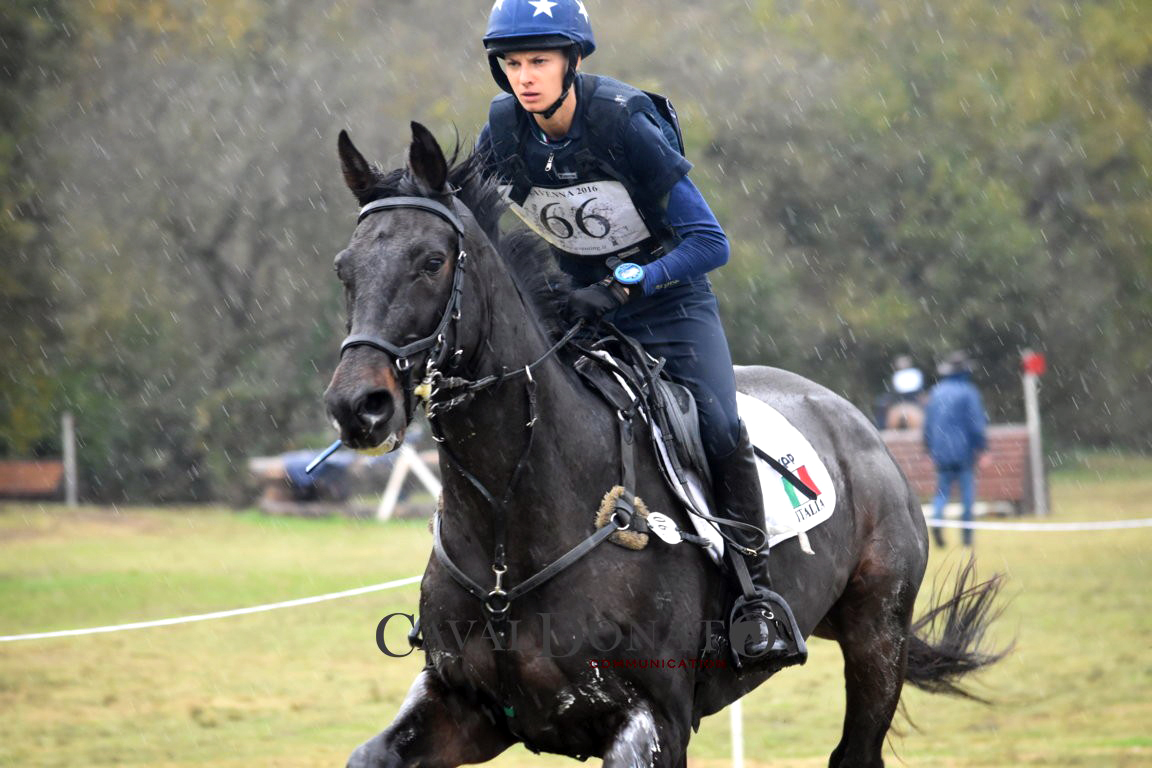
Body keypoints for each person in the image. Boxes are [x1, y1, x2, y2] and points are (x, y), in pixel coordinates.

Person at [475, 0, 804, 667]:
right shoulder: (504, 131)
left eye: (538, 61)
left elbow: (710, 242)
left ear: (572, 61)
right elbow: (473, 223)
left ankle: (756, 594)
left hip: (669, 305)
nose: (524, 77)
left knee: (718, 426)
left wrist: (630, 284)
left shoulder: (623, 122)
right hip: (576, 312)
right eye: (512, 63)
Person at [923, 351, 989, 547]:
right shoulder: (968, 392)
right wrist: (983, 448)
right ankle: (967, 537)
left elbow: (928, 425)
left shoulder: (936, 392)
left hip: (941, 452)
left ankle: (937, 522)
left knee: (941, 493)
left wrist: (928, 449)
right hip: (964, 452)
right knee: (967, 495)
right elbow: (976, 423)